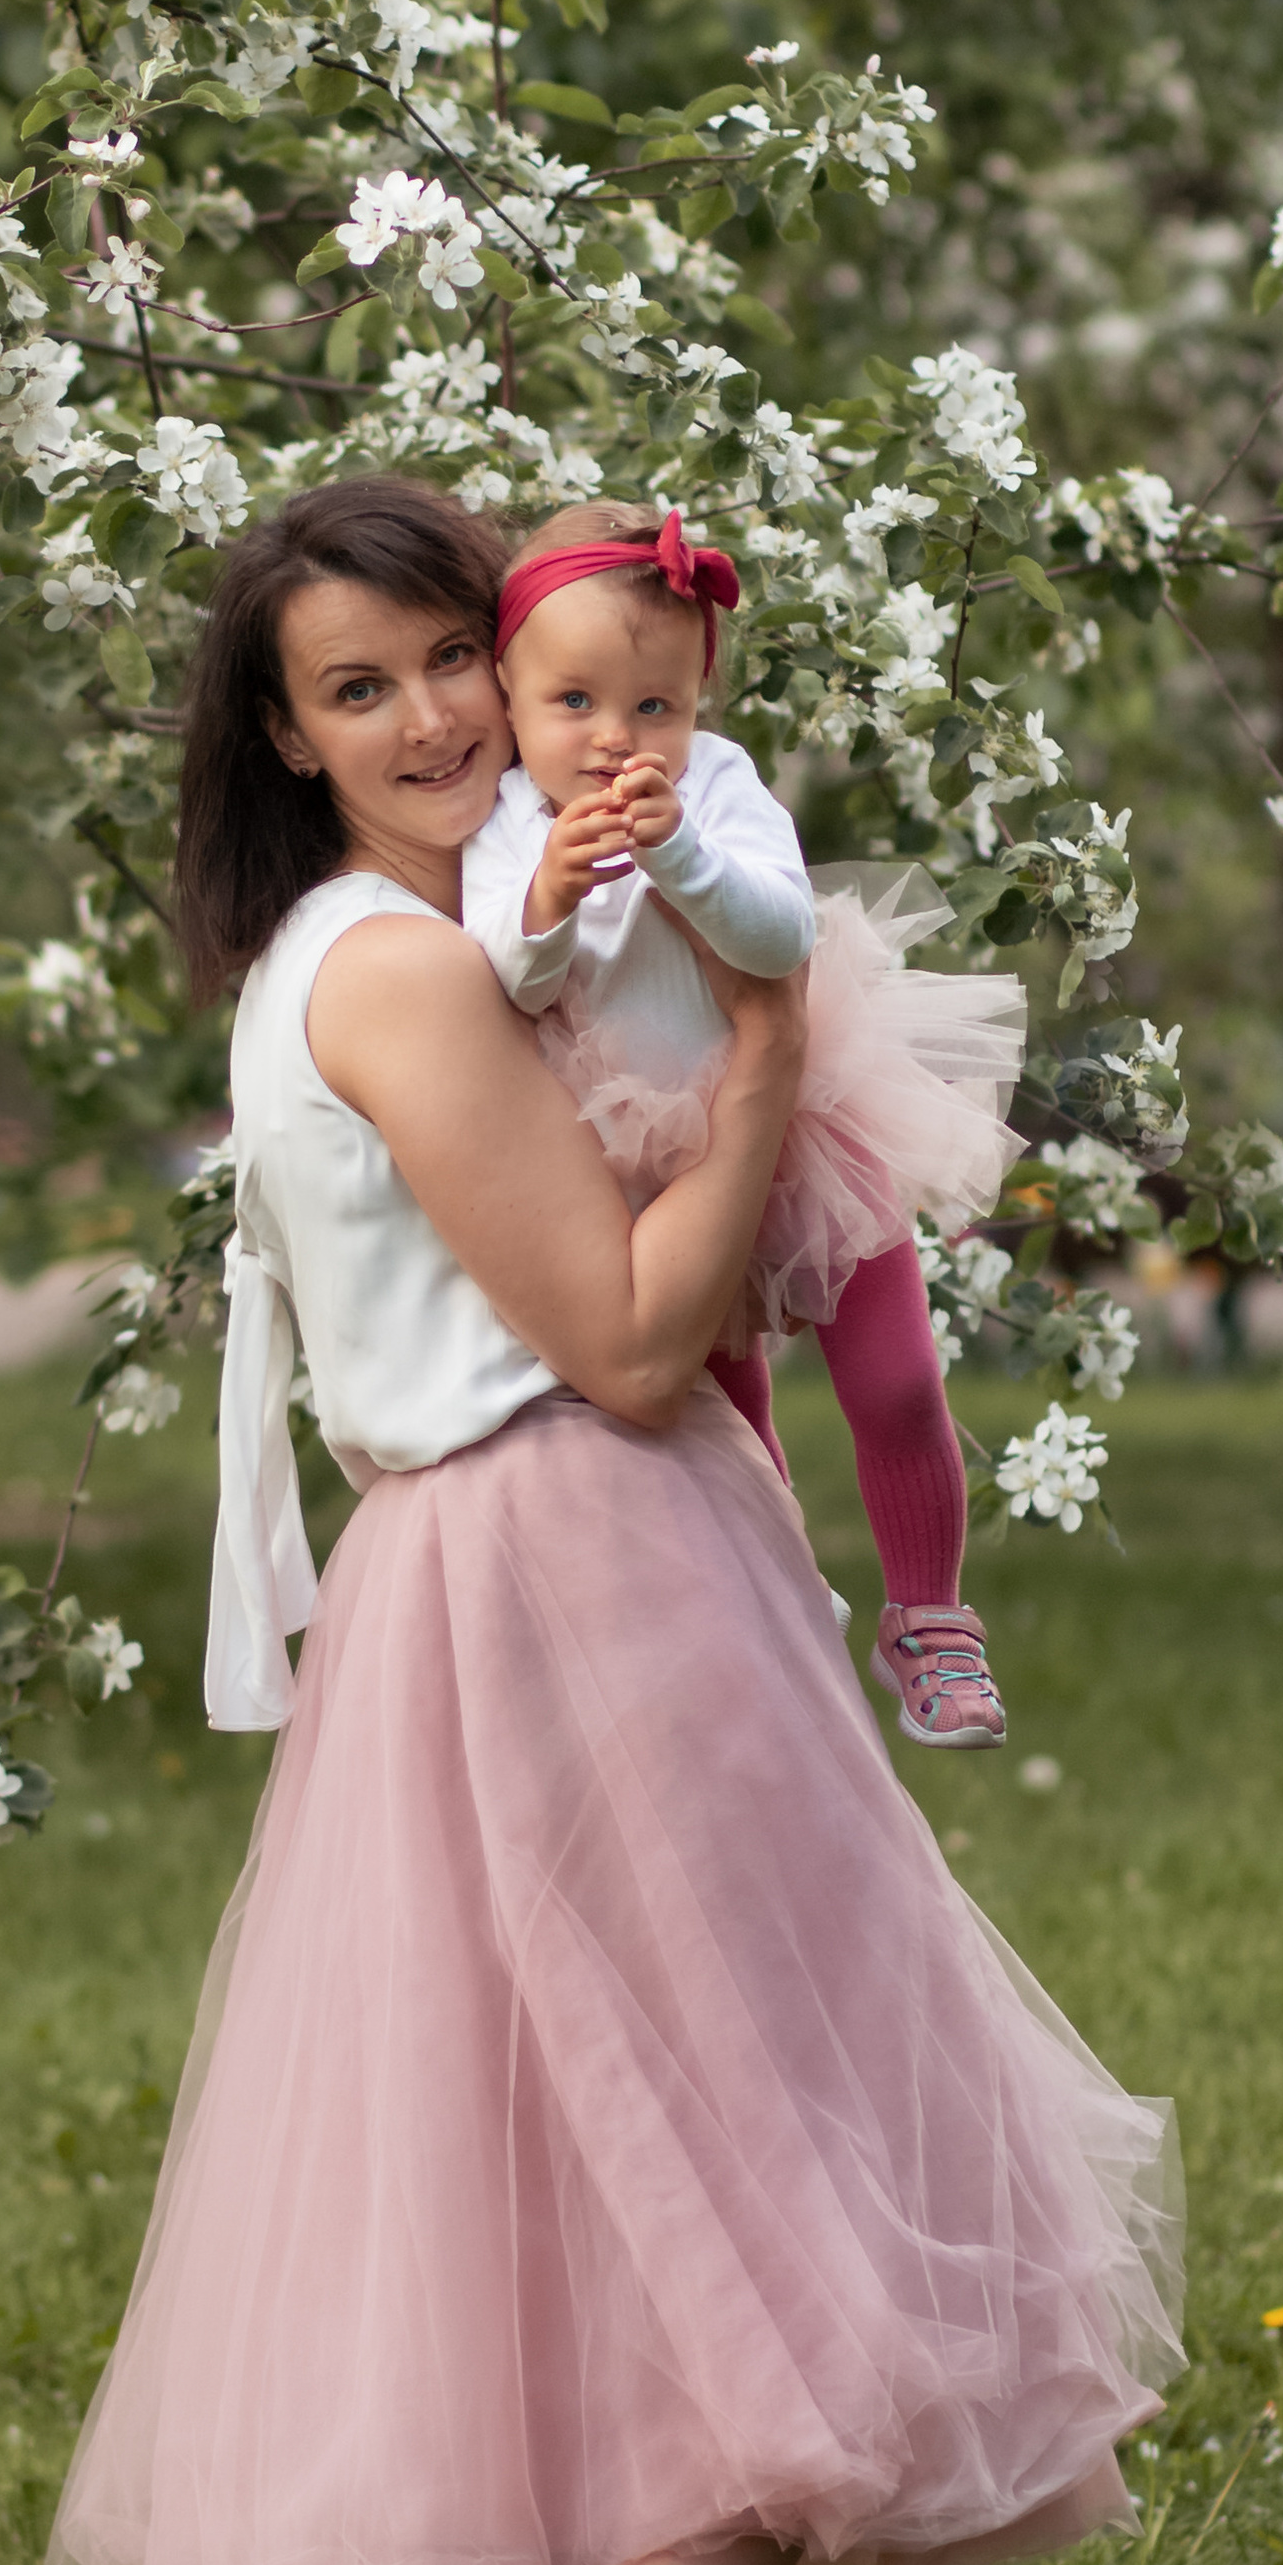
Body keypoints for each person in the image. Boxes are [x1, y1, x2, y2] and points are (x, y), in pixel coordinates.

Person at [37, 475, 1182, 2565]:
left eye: (453, 655)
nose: (438, 716)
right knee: (813, 2203)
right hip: (579, 1572)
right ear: (291, 745)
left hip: (487, 1591)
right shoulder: (411, 983)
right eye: (361, 691)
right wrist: (780, 1038)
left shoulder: (420, 946)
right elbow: (642, 1338)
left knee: (562, 2231)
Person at [464, 497, 1023, 1752]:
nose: (617, 742)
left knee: (893, 1380)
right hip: (654, 1174)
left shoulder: (714, 789)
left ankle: (929, 1615)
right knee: (726, 1417)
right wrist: (548, 892)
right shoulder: (504, 827)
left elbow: (780, 934)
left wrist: (684, 861)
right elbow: (504, 980)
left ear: (700, 696)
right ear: (507, 688)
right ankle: (777, 1593)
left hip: (812, 1120)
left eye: (653, 707)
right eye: (574, 706)